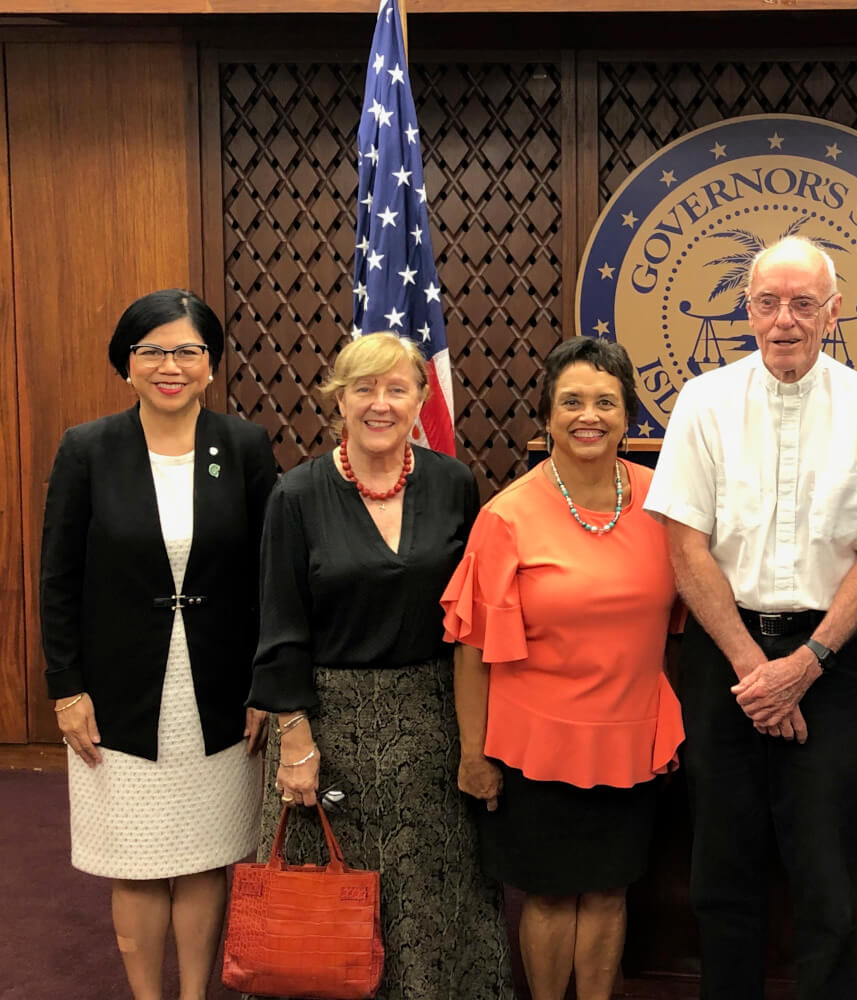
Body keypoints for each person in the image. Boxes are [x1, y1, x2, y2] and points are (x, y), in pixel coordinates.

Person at [644, 235, 857, 1000]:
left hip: (829, 664)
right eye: (768, 303)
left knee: (827, 874)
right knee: (722, 866)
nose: (785, 320)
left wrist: (805, 666)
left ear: (833, 313)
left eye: (804, 303)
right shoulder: (703, 401)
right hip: (724, 658)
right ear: (747, 310)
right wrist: (752, 669)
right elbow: (686, 547)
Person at [246, 332, 514, 999]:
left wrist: (477, 737)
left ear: (422, 398)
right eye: (364, 388)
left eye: (397, 388)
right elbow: (280, 627)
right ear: (338, 398)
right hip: (328, 731)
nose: (380, 403)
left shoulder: (454, 484)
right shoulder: (297, 496)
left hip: (431, 723)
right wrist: (295, 741)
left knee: (430, 892)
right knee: (330, 899)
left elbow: (474, 617)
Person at [40, 289, 277, 1000]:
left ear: (210, 366)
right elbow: (58, 578)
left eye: (187, 351)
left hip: (219, 688)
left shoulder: (242, 447)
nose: (169, 365)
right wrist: (66, 688)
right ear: (127, 364)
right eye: (152, 351)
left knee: (205, 856)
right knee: (137, 858)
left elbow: (273, 575)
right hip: (118, 689)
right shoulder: (88, 448)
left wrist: (266, 685)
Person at [440, 336, 683, 1000]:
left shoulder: (665, 503)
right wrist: (472, 751)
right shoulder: (507, 516)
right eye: (571, 400)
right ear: (546, 416)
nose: (589, 416)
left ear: (629, 415)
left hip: (631, 738)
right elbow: (472, 646)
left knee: (608, 891)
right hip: (534, 745)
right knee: (549, 898)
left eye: (606, 401)